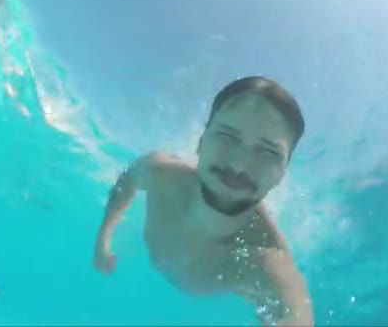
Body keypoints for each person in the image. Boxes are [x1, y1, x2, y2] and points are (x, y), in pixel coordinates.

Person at [93, 76, 314, 326]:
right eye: (227, 136)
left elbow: (294, 312)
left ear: (282, 174)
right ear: (201, 141)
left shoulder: (264, 257)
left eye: (268, 152)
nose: (239, 165)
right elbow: (127, 182)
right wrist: (104, 237)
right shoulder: (159, 172)